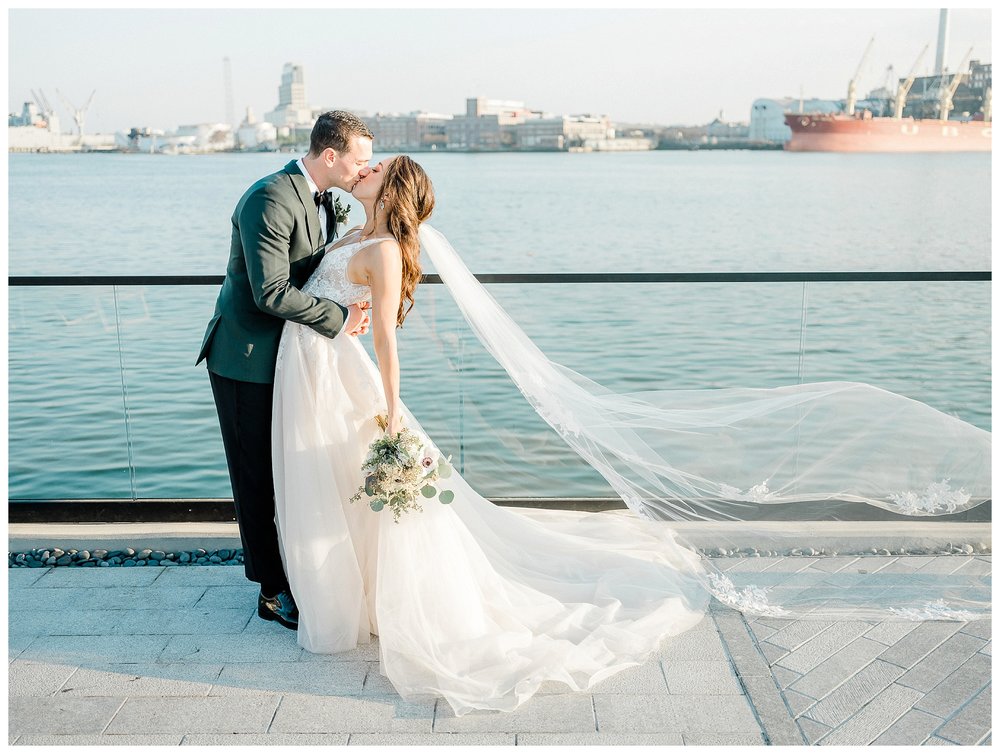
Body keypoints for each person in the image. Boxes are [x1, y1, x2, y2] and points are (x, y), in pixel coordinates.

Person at [271, 155, 990, 716]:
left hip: (354, 380)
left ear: (391, 191)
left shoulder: (386, 250)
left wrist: (395, 410)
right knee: (343, 489)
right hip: (323, 371)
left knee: (391, 504)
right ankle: (354, 599)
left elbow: (390, 340)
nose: (363, 170)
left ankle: (394, 606)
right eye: (363, 163)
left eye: (375, 169)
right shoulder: (353, 230)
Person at [197, 111, 375, 631]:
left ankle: (298, 570)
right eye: (359, 160)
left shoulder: (326, 202)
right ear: (330, 156)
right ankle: (271, 589)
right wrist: (340, 318)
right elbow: (269, 291)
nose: (363, 169)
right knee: (255, 477)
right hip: (245, 359)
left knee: (292, 468)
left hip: (293, 357)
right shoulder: (270, 199)